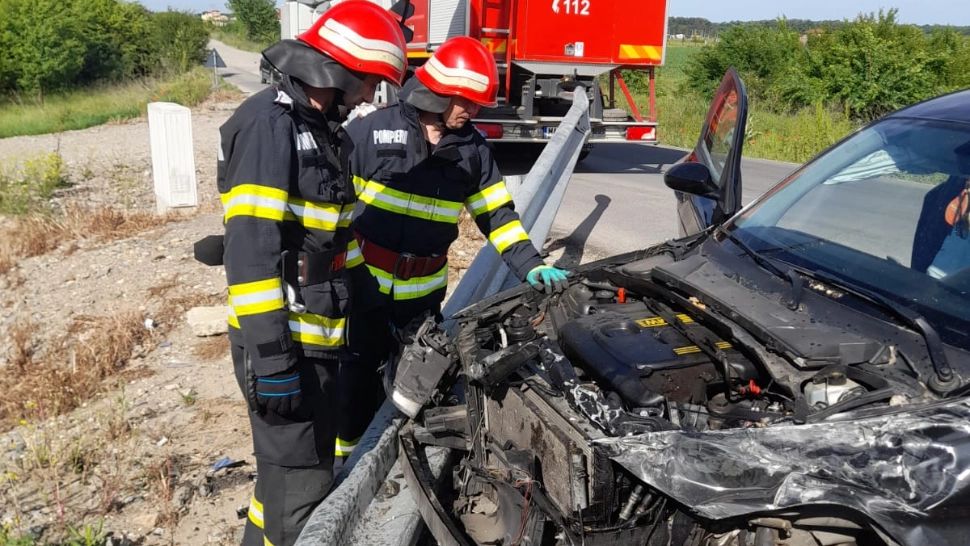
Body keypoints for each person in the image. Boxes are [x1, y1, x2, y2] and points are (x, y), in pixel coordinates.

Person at [216, 3, 406, 545]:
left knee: (290, 480)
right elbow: (251, 260)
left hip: (318, 338)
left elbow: (339, 240)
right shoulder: (267, 126)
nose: (371, 96)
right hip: (283, 348)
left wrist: (375, 309)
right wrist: (273, 364)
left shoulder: (328, 134)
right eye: (369, 82)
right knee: (300, 492)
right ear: (340, 72)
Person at [337, 36, 568, 455]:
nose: (473, 112)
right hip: (362, 292)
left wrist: (532, 265)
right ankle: (345, 474)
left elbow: (497, 217)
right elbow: (331, 209)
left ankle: (398, 463)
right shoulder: (371, 131)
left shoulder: (473, 151)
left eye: (478, 104)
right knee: (351, 392)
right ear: (438, 90)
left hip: (421, 303)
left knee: (413, 392)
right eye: (466, 101)